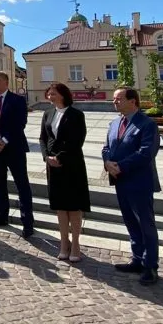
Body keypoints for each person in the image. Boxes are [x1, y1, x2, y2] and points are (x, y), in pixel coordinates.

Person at [102, 87, 161, 285]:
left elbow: (146, 152)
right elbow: (106, 147)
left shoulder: (147, 124)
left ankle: (150, 266)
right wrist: (107, 162)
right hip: (120, 180)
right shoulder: (115, 123)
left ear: (133, 101)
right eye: (114, 99)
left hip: (139, 181)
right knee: (130, 222)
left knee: (146, 224)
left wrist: (120, 166)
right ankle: (137, 259)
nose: (115, 102)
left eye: (119, 99)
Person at [39, 82, 90, 261]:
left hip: (71, 164)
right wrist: (47, 157)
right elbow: (43, 138)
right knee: (60, 206)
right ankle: (63, 242)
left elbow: (77, 140)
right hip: (52, 166)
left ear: (62, 94)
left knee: (74, 206)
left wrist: (59, 157)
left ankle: (75, 243)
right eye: (49, 94)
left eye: (53, 94)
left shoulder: (76, 114)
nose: (50, 97)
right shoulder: (48, 113)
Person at [0, 71, 35, 238]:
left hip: (14, 148)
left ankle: (27, 222)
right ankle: (1, 215)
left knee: (22, 184)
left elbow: (20, 123)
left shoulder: (17, 100)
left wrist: (3, 141)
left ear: (6, 82)